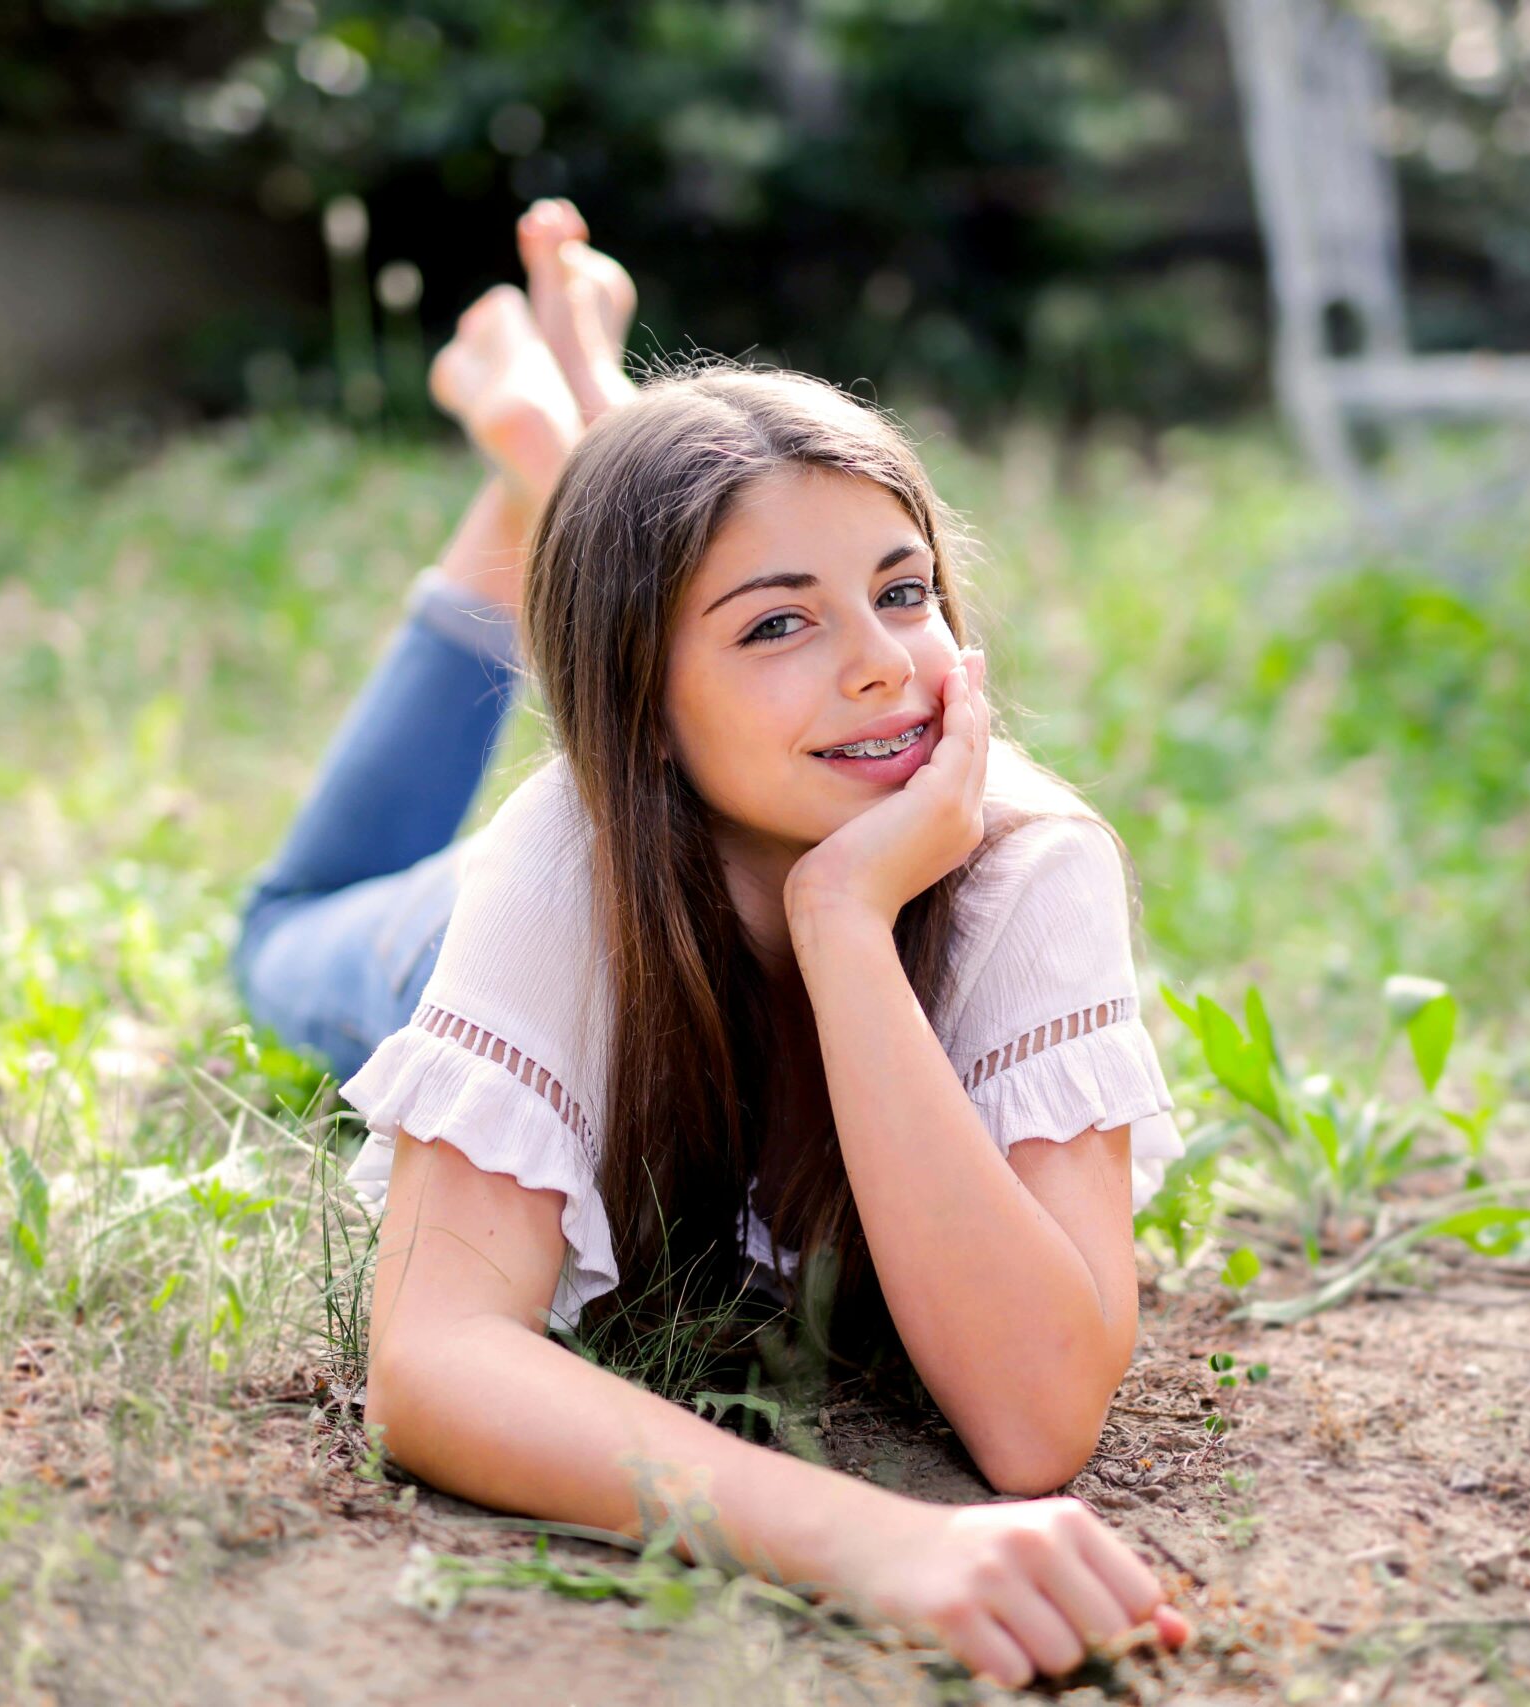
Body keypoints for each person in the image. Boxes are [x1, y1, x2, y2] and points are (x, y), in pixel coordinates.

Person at [234, 199, 1196, 1690]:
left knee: (702, 542)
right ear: (643, 711)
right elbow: (429, 1369)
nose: (886, 661)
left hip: (697, 769)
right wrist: (876, 1543)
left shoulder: (1026, 866)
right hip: (453, 931)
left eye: (902, 590)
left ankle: (588, 461)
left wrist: (842, 922)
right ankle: (545, 475)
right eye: (775, 626)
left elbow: (1036, 1419)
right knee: (279, 938)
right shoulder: (564, 857)